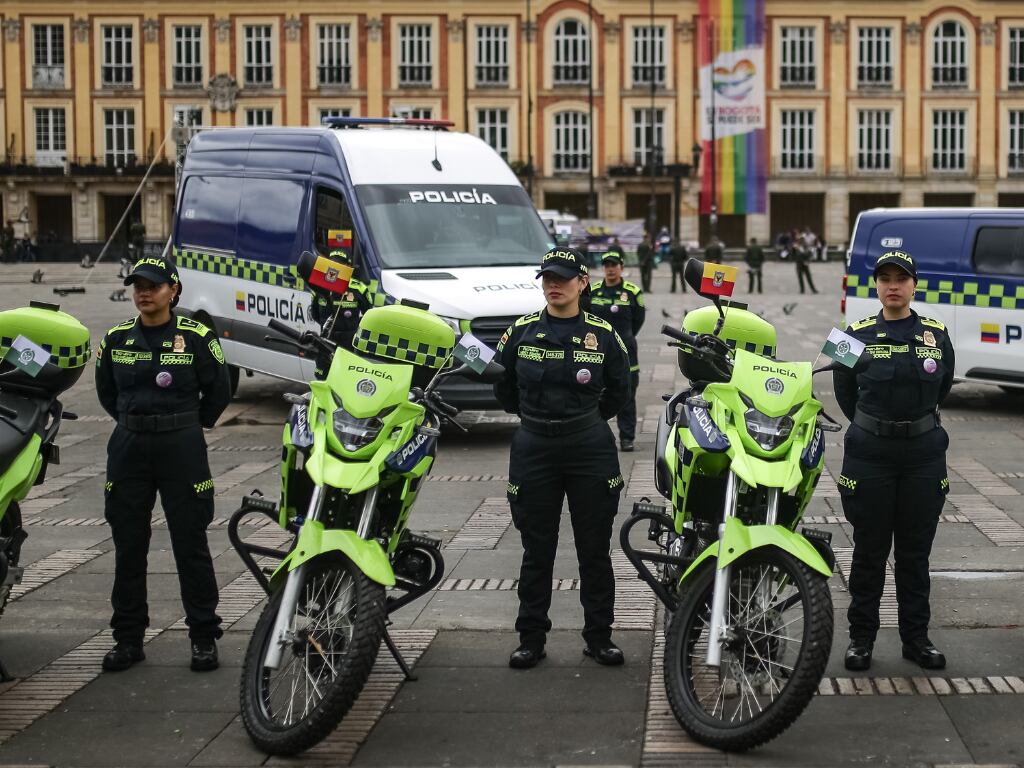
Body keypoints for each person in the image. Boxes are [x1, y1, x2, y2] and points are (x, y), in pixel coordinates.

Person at [495, 247, 631, 670]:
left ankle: (599, 636)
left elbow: (619, 390)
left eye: (563, 277)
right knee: (537, 549)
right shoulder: (521, 331)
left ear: (583, 282)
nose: (553, 284)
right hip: (534, 445)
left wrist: (586, 420)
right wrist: (534, 419)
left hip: (588, 445)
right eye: (547, 278)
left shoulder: (602, 333)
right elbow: (503, 387)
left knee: (594, 548)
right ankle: (531, 638)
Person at [95, 256, 232, 673]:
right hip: (130, 446)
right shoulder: (117, 339)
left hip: (181, 446)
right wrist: (136, 421)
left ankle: (203, 637)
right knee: (128, 544)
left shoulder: (197, 337)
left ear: (173, 291)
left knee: (190, 543)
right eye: (138, 286)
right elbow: (106, 392)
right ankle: (128, 639)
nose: (144, 293)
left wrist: (188, 424)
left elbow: (219, 390)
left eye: (153, 286)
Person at [833, 250, 954, 673]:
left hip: (922, 454)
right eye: (885, 278)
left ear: (914, 285)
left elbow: (943, 386)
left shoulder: (937, 333)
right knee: (869, 550)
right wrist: (874, 427)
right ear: (876, 285)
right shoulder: (851, 334)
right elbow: (842, 390)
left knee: (915, 553)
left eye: (901, 279)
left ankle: (916, 639)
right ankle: (861, 640)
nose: (893, 286)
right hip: (871, 453)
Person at [590, 251, 646, 451]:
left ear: (621, 267)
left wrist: (625, 338)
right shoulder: (593, 291)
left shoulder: (633, 292)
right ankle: (597, 437)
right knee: (594, 396)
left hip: (626, 352)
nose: (610, 269)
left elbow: (638, 320)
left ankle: (627, 438)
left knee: (626, 395)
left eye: (614, 265)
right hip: (597, 352)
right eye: (607, 265)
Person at [308, 250, 391, 378]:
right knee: (322, 379)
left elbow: (368, 314)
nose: (336, 269)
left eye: (340, 265)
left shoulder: (359, 288)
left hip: (349, 343)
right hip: (325, 341)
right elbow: (315, 314)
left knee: (348, 379)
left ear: (347, 267)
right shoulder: (320, 287)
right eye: (332, 264)